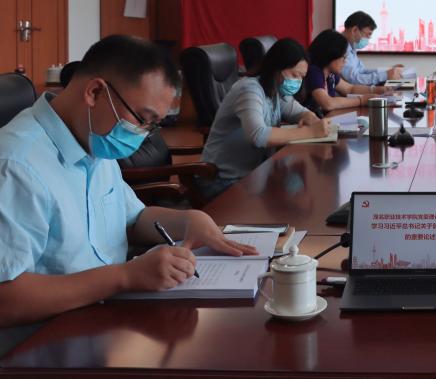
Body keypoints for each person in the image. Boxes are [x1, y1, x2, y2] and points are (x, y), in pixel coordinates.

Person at [0, 35, 257, 326]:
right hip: (48, 336)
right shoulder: (16, 165)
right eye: (141, 119)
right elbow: (5, 298)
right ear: (95, 92)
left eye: (153, 125)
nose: (143, 134)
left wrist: (188, 220)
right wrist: (125, 277)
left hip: (108, 316)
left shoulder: (92, 140)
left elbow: (132, 219)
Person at [200, 38, 328, 197]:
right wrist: (310, 132)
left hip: (254, 174)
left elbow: (298, 112)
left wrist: (311, 118)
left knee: (296, 188)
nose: (298, 82)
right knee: (282, 199)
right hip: (222, 180)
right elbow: (258, 135)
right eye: (295, 75)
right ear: (277, 68)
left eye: (302, 77)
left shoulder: (275, 89)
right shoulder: (249, 89)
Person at [304, 29, 393, 114]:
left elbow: (350, 89)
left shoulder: (330, 74)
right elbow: (328, 104)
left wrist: (377, 90)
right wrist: (361, 100)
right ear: (331, 54)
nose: (345, 61)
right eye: (343, 57)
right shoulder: (314, 72)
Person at [339, 11, 404, 86]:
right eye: (368, 34)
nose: (368, 39)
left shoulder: (351, 48)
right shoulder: (340, 48)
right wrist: (385, 75)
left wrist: (387, 71)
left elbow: (362, 72)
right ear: (354, 30)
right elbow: (354, 80)